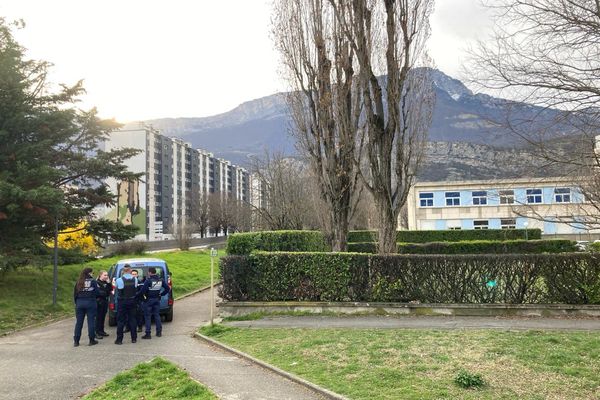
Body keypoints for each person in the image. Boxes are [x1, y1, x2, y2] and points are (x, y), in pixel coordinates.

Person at [139, 267, 170, 339]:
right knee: (157, 315)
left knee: (147, 317)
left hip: (149, 300)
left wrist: (138, 296)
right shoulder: (161, 280)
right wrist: (161, 294)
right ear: (155, 272)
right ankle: (159, 332)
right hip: (157, 299)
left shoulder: (148, 281)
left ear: (149, 272)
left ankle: (148, 334)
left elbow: (142, 291)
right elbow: (167, 288)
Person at [73, 267, 100, 347]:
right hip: (90, 303)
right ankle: (91, 340)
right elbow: (97, 292)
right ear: (89, 273)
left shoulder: (79, 282)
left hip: (80, 303)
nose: (93, 274)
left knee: (79, 323)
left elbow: (75, 294)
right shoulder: (93, 281)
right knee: (91, 321)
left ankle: (76, 341)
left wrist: (77, 303)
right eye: (92, 273)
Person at [114, 265, 138, 345]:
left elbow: (117, 289)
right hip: (132, 301)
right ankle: (134, 338)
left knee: (121, 320)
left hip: (122, 302)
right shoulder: (135, 279)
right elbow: (135, 289)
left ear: (123, 271)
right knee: (133, 319)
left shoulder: (119, 280)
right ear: (130, 270)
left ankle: (119, 340)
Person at [95, 270, 111, 339]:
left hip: (104, 301)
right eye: (104, 275)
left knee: (103, 317)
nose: (106, 276)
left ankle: (101, 331)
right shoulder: (97, 282)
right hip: (99, 302)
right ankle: (97, 332)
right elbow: (100, 292)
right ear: (100, 275)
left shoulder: (106, 282)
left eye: (107, 275)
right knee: (98, 318)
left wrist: (109, 283)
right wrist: (106, 291)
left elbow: (110, 290)